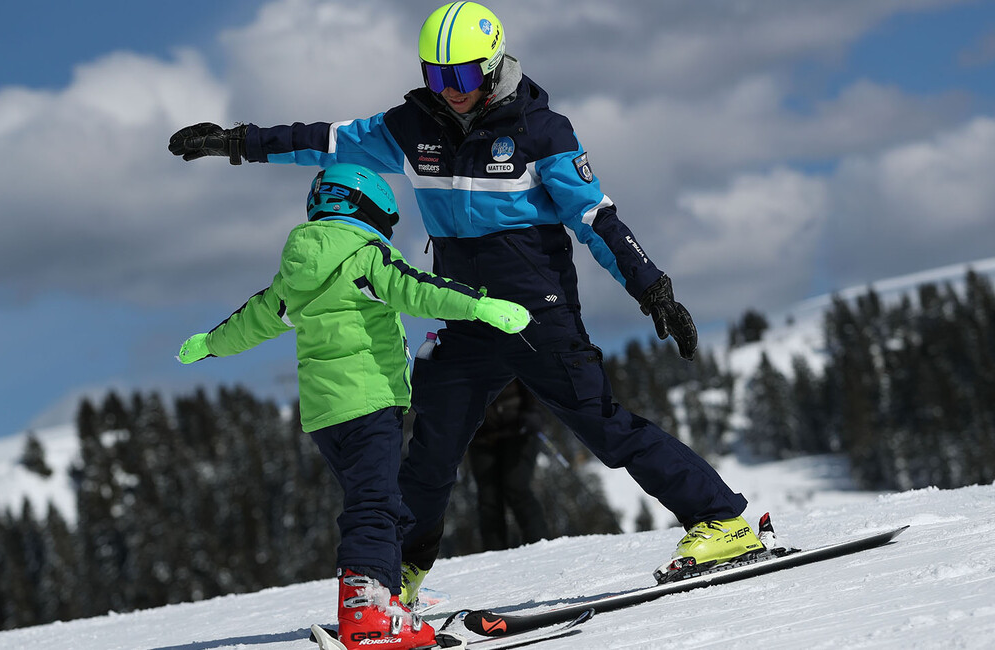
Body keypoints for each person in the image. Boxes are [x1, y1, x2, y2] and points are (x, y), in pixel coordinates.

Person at [168, 1, 761, 608]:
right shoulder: (411, 127)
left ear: (494, 64)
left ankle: (722, 521)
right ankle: (400, 573)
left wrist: (652, 288)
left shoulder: (542, 130)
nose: (450, 91)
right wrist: (238, 141)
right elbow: (325, 141)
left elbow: (594, 218)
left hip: (536, 312)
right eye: (436, 75)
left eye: (464, 77)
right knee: (431, 450)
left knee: (604, 427)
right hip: (462, 313)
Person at [175, 162, 530, 650]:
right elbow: (418, 289)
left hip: (324, 415)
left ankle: (385, 595)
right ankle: (366, 612)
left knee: (383, 500)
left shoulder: (293, 275)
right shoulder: (365, 257)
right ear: (372, 209)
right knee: (374, 504)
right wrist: (480, 306)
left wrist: (211, 344)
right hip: (368, 400)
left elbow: (253, 320)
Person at [468, 379, 549, 550]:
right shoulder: (460, 361)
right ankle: (494, 553)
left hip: (518, 429)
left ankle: (539, 545)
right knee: (488, 498)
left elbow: (532, 379)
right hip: (481, 436)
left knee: (516, 486)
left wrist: (533, 412)